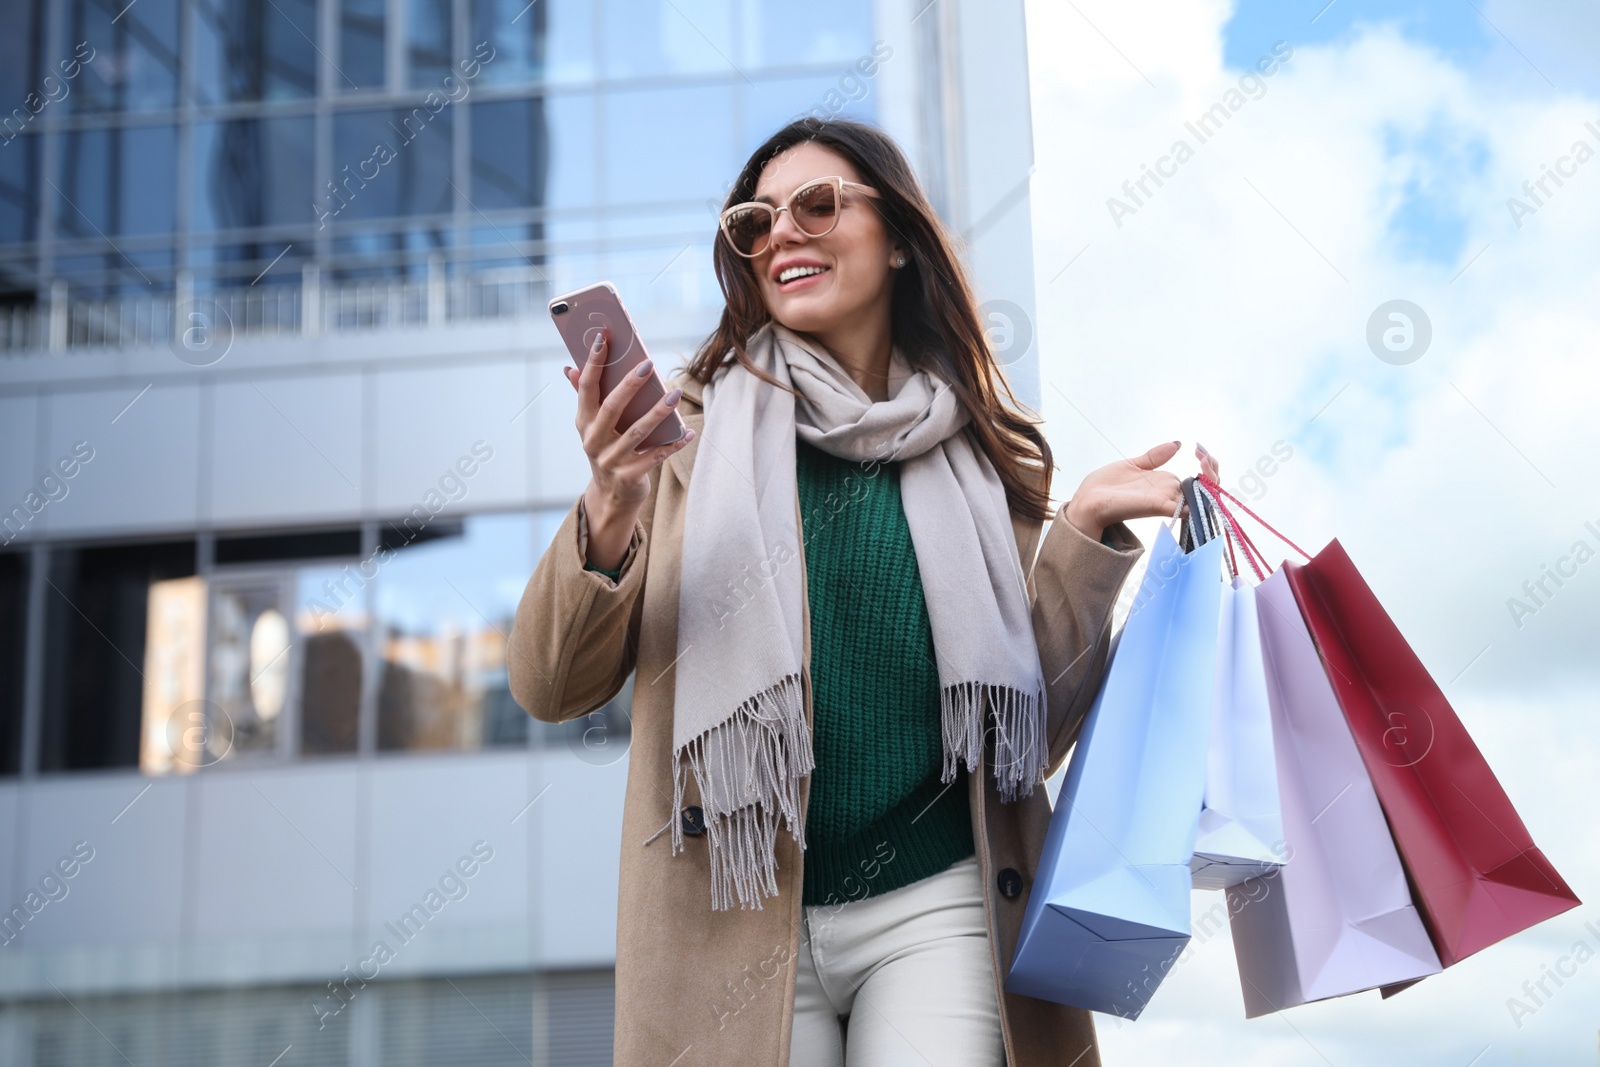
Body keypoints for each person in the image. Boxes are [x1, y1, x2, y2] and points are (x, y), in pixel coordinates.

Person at [508, 117, 1214, 1067]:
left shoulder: (979, 456)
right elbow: (552, 686)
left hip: (939, 903)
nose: (785, 233)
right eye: (756, 223)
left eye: (818, 204)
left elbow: (1021, 740)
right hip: (734, 910)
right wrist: (609, 503)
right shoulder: (685, 445)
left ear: (896, 241)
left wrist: (1083, 531)